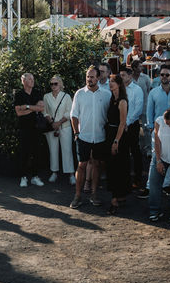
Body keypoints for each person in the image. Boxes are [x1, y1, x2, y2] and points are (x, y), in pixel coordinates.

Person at [70, 67, 110, 208]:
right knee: (81, 165)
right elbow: (73, 115)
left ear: (98, 78)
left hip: (100, 136)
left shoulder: (106, 94)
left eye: (92, 77)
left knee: (97, 165)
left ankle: (94, 194)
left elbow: (110, 115)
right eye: (88, 76)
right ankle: (77, 196)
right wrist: (76, 133)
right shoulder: (79, 94)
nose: (89, 79)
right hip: (83, 136)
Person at [13, 73, 47, 188]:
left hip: (36, 127)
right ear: (23, 81)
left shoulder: (37, 93)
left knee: (36, 153)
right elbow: (18, 112)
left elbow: (41, 108)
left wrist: (27, 107)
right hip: (24, 127)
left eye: (33, 79)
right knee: (24, 153)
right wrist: (34, 108)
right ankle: (23, 177)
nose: (32, 81)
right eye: (29, 79)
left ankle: (35, 177)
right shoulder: (19, 94)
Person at [103, 74, 130, 214]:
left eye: (113, 81)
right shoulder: (112, 99)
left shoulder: (122, 101)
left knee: (117, 167)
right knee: (112, 167)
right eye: (109, 81)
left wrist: (116, 141)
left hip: (118, 137)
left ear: (119, 84)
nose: (110, 83)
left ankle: (115, 199)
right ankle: (119, 196)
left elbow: (122, 123)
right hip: (109, 133)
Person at [43, 75, 75, 184]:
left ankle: (71, 174)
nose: (53, 86)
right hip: (51, 127)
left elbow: (69, 112)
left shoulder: (66, 96)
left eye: (55, 83)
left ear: (60, 84)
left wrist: (59, 123)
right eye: (51, 84)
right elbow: (44, 111)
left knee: (67, 150)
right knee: (53, 150)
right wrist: (52, 123)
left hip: (65, 126)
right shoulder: (46, 96)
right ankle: (54, 172)